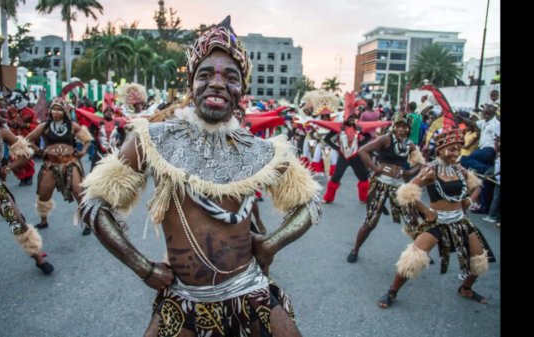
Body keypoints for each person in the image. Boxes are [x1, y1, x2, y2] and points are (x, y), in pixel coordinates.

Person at [77, 16, 321, 336]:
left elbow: (311, 201)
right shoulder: (153, 138)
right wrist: (142, 266)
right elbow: (94, 203)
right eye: (205, 74)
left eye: (229, 76)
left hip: (249, 288)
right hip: (185, 298)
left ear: (241, 90)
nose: (217, 82)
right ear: (191, 85)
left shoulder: (260, 150)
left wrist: (271, 244)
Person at [377, 90, 495, 309]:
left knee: (480, 259)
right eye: (451, 149)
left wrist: (467, 203)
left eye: (458, 150)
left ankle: (465, 288)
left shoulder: (459, 169)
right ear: (441, 148)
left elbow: (476, 187)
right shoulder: (430, 171)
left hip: (460, 221)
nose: (455, 154)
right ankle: (392, 292)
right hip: (437, 221)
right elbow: (406, 193)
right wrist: (426, 211)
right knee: (412, 261)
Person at [0, 86, 53, 274]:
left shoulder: (1, 132)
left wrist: (8, 168)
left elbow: (26, 153)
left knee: (16, 220)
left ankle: (37, 256)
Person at [346, 112, 424, 262]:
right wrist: (375, 169)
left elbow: (419, 162)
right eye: (398, 126)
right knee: (371, 221)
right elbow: (363, 151)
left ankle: (422, 249)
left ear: (408, 129)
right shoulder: (386, 138)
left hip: (399, 185)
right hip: (381, 182)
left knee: (412, 217)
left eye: (404, 127)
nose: (401, 129)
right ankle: (355, 249)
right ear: (394, 127)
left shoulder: (409, 144)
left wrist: (410, 172)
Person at [26, 96, 93, 235]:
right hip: (50, 163)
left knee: (78, 192)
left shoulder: (72, 125)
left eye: (59, 110)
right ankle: (43, 220)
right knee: (43, 193)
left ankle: (87, 221)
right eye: (54, 109)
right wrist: (39, 151)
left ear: (65, 111)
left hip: (70, 162)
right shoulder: (44, 126)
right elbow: (28, 140)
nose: (56, 112)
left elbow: (86, 139)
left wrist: (83, 151)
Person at [318, 92, 391, 204]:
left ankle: (365, 197)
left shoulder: (358, 127)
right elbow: (327, 138)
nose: (352, 120)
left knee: (363, 178)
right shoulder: (340, 127)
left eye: (354, 117)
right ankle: (328, 198)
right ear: (346, 117)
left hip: (356, 156)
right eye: (350, 117)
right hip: (343, 157)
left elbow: (368, 136)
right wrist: (337, 148)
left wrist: (361, 145)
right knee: (335, 178)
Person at [5, 86, 39, 186]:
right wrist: (11, 123)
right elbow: (7, 121)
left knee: (26, 158)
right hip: (13, 138)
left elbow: (36, 125)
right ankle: (21, 177)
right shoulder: (11, 110)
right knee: (14, 158)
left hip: (26, 138)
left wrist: (25, 125)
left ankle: (29, 177)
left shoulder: (30, 112)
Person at [458, 104, 500, 173]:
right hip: (484, 150)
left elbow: (497, 140)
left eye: (489, 114)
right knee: (472, 167)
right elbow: (472, 123)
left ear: (494, 114)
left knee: (464, 160)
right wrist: (460, 118)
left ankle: (485, 169)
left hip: (489, 150)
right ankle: (485, 171)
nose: (487, 116)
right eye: (485, 114)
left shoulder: (495, 124)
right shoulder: (484, 121)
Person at [483, 136, 500, 224]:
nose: (495, 144)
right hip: (498, 180)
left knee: (496, 199)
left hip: (499, 181)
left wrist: (492, 175)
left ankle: (491, 215)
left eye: (497, 142)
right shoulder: (497, 155)